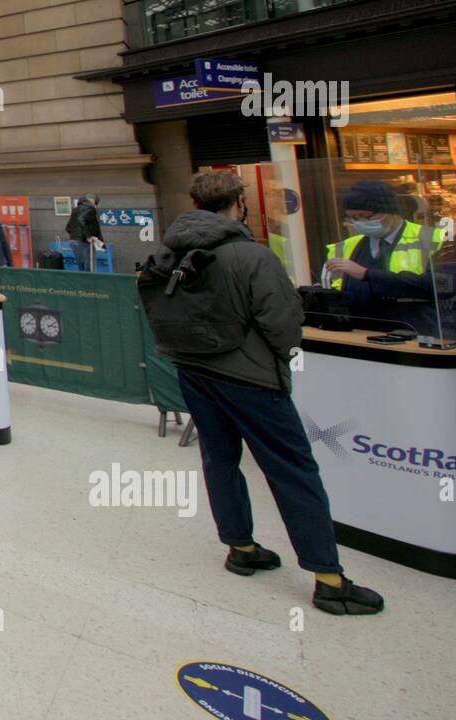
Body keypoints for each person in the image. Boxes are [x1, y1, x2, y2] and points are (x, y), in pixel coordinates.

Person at [143, 171, 383, 616]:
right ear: (240, 203)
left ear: (195, 201)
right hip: (251, 378)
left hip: (193, 370)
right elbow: (281, 321)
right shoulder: (252, 255)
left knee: (219, 458)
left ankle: (241, 546)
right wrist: (282, 356)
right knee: (293, 469)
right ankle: (328, 577)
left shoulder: (168, 250)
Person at [323, 179, 456, 338]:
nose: (359, 223)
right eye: (353, 218)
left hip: (427, 336)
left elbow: (444, 284)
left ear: (390, 212)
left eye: (365, 216)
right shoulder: (344, 247)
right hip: (365, 339)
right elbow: (341, 295)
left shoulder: (441, 239)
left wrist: (367, 274)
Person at [66, 194, 104, 272]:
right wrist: (89, 236)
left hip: (74, 242)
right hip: (84, 243)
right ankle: (90, 284)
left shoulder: (75, 210)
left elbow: (68, 228)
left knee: (82, 268)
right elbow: (81, 220)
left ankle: (83, 283)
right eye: (96, 203)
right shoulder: (90, 209)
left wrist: (75, 236)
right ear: (92, 202)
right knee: (90, 269)